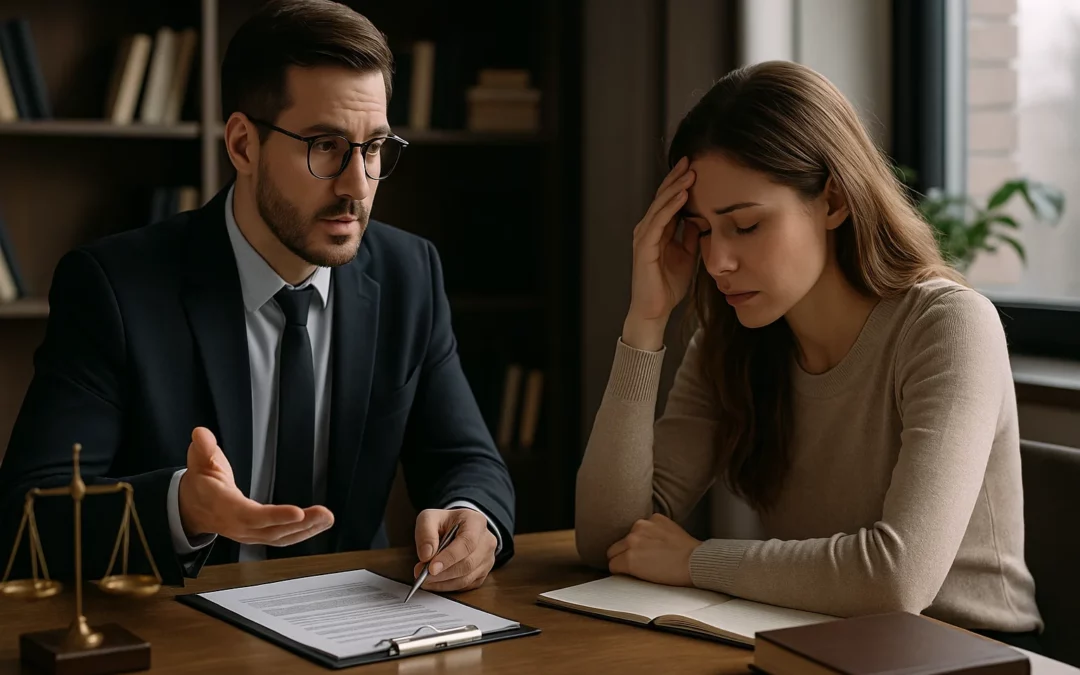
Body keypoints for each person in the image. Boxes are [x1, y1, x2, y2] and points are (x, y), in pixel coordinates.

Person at [0, 0, 514, 592]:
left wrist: (475, 519)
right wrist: (183, 509)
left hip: (357, 623)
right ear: (243, 146)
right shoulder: (115, 286)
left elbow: (468, 461)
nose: (358, 185)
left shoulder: (409, 273)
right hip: (183, 628)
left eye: (373, 148)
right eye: (325, 146)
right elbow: (27, 517)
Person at [574, 60, 1044, 651]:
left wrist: (697, 561)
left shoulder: (948, 326)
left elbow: (896, 579)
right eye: (700, 229)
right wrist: (644, 323)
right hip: (812, 644)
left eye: (744, 225)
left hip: (965, 652)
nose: (717, 260)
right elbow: (609, 540)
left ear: (834, 201)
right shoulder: (732, 341)